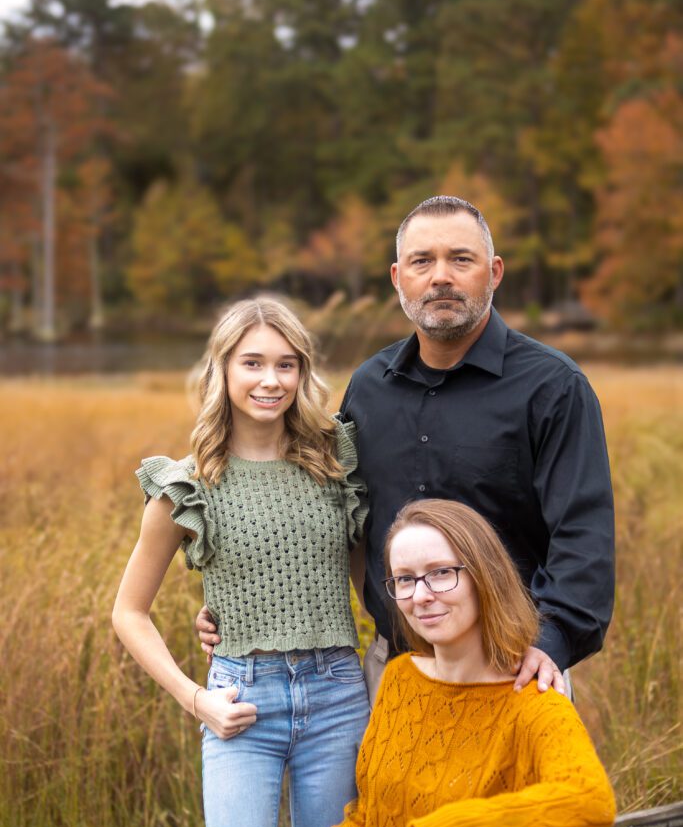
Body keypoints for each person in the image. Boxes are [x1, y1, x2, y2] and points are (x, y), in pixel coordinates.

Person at [198, 196, 615, 703]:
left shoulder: (553, 386)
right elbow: (324, 514)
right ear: (398, 278)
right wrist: (245, 600)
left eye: (461, 259)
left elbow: (583, 534)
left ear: (495, 272)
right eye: (422, 261)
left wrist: (552, 641)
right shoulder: (369, 388)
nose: (441, 276)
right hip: (393, 670)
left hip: (514, 668)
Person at [112, 297, 370, 827]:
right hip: (239, 703)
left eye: (287, 365)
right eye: (252, 363)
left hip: (337, 697)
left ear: (303, 373)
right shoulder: (189, 482)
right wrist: (195, 699)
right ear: (222, 369)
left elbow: (368, 582)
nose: (270, 380)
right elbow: (128, 611)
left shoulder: (334, 464)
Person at [269, 499, 616, 827]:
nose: (421, 595)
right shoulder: (401, 680)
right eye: (405, 579)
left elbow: (590, 799)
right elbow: (367, 823)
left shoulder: (534, 701)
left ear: (485, 576)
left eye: (441, 573)